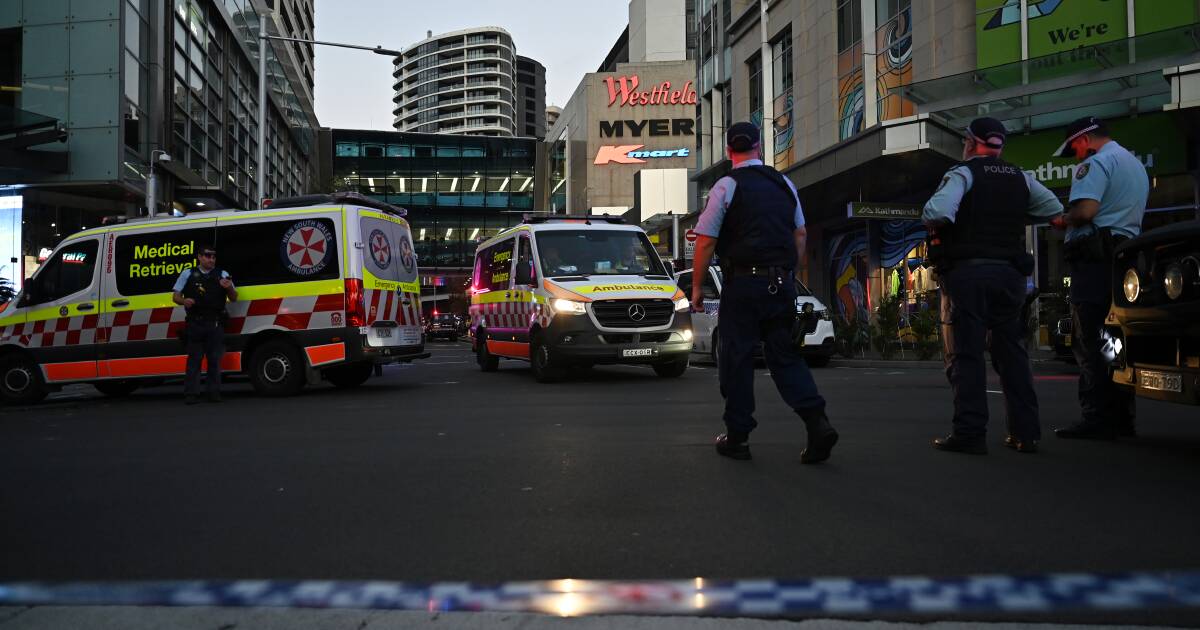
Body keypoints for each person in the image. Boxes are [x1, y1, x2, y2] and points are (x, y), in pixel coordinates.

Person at [690, 121, 838, 464]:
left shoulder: (726, 186)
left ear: (729, 151)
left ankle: (738, 437)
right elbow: (800, 234)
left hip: (742, 285)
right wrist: (788, 271)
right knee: (784, 356)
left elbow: (706, 240)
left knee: (737, 358)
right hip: (781, 284)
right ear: (760, 146)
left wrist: (697, 286)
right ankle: (817, 422)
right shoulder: (783, 184)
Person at [922, 117, 1064, 454]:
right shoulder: (1021, 177)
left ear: (970, 143)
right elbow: (1055, 211)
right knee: (1012, 355)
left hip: (968, 275)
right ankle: (1025, 433)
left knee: (967, 355)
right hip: (1010, 277)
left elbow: (938, 211)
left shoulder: (964, 173)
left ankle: (970, 433)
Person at [1049, 117, 1146, 440]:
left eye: (1074, 149)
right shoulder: (1133, 163)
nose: (1076, 157)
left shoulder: (1094, 164)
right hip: (1124, 260)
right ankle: (1121, 418)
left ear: (1084, 140)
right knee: (1114, 342)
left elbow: (1086, 211)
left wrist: (1064, 218)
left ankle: (1096, 417)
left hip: (1094, 262)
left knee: (1088, 339)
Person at [172, 245, 237, 404]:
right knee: (194, 360)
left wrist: (228, 288)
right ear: (199, 257)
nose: (211, 259)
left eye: (214, 256)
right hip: (195, 323)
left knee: (214, 360)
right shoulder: (188, 273)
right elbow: (175, 296)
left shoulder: (223, 274)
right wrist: (184, 301)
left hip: (215, 323)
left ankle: (213, 393)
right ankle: (191, 394)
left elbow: (234, 297)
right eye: (208, 256)